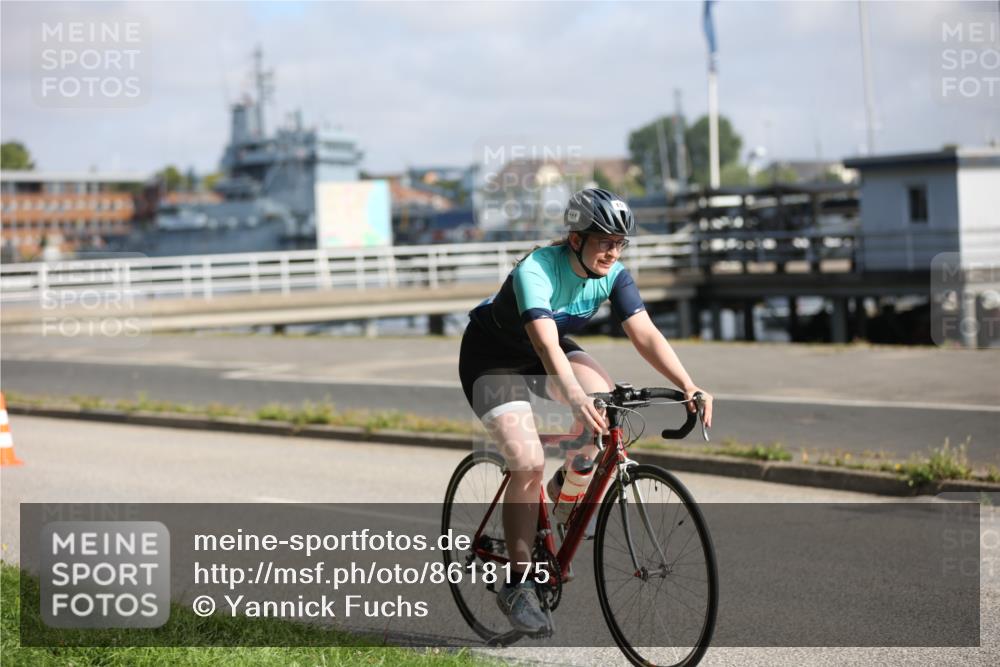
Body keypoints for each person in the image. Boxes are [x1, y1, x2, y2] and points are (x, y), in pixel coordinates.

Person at [457, 187, 714, 634]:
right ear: (576, 239)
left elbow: (645, 334)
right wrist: (573, 395)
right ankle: (517, 584)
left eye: (620, 243)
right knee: (527, 461)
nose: (613, 252)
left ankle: (564, 495)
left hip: (548, 350)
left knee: (605, 406)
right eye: (604, 242)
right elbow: (545, 345)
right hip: (494, 359)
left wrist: (688, 384)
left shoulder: (613, 274)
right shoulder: (536, 270)